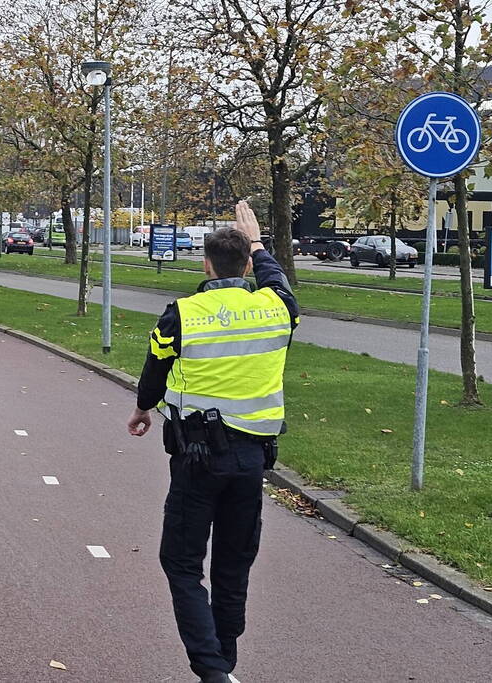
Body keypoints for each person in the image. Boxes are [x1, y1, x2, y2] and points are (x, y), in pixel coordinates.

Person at [127, 201, 299, 683]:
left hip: (196, 458)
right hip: (251, 462)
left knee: (181, 563)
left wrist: (142, 409)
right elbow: (280, 284)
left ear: (204, 263)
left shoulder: (181, 314)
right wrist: (259, 242)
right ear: (247, 265)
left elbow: (154, 372)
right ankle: (225, 662)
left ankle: (212, 671)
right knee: (233, 564)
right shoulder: (276, 309)